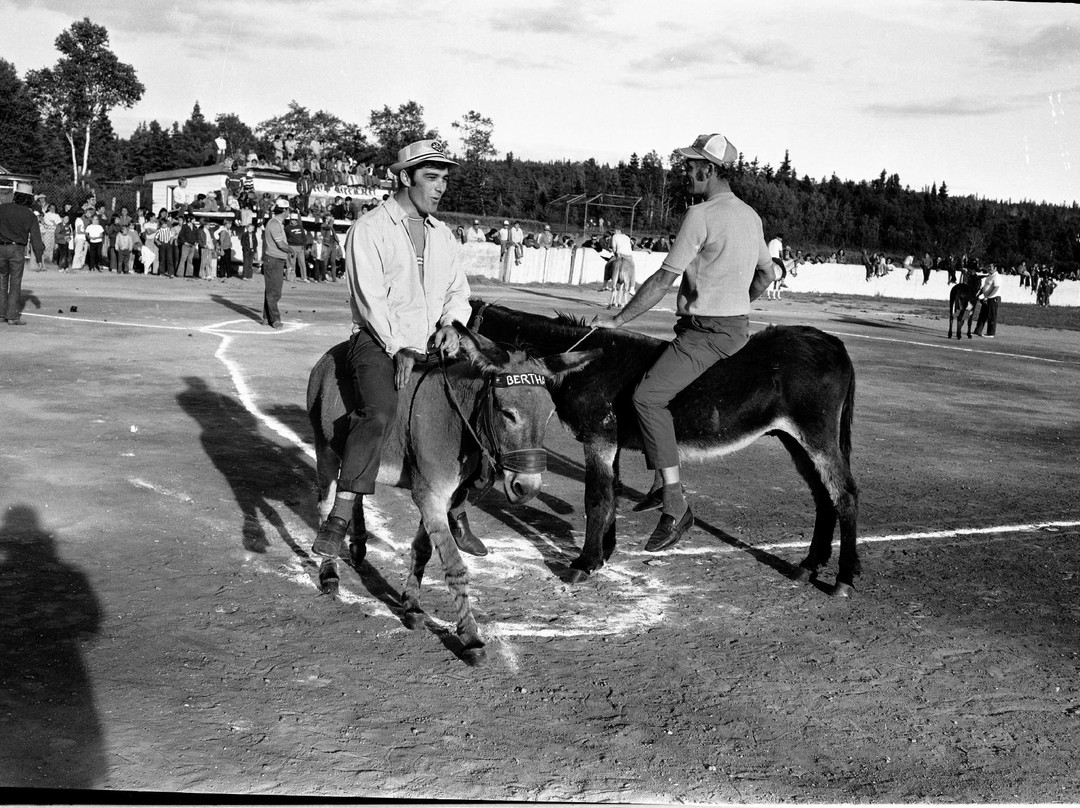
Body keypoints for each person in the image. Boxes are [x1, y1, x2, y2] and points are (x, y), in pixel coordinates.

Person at [593, 133, 775, 552]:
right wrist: (737, 302)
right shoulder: (751, 216)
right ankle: (660, 481)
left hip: (705, 335)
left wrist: (618, 318)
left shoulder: (701, 215)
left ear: (708, 170)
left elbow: (661, 278)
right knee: (652, 378)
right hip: (732, 329)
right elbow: (767, 274)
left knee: (646, 398)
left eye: (691, 165)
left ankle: (676, 507)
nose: (685, 172)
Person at [310, 137, 481, 562]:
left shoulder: (444, 235)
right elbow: (370, 300)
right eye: (431, 177)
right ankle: (341, 512)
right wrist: (399, 346)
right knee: (380, 410)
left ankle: (457, 505)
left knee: (486, 400)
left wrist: (451, 325)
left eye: (444, 179)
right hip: (377, 339)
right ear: (404, 177)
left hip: (434, 342)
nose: (441, 187)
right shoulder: (369, 228)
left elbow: (458, 292)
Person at [0, 188, 45, 325]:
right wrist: (38, 257)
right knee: (15, 282)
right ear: (28, 199)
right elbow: (36, 239)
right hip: (17, 249)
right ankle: (12, 316)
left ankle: (1, 314)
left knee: (1, 281)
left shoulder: (2, 209)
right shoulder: (30, 215)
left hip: (0, 247)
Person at [262, 198, 291, 328]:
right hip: (274, 259)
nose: (289, 211)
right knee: (275, 291)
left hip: (274, 259)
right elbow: (281, 244)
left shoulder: (276, 223)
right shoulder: (275, 223)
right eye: (288, 209)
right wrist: (292, 250)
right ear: (284, 210)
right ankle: (275, 319)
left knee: (271, 290)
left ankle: (266, 318)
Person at [973, 262, 1001, 338]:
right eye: (988, 267)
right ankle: (978, 331)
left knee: (992, 316)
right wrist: (979, 294)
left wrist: (988, 297)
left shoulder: (996, 277)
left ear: (995, 268)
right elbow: (985, 287)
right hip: (987, 298)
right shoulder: (989, 276)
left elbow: (996, 288)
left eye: (990, 267)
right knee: (982, 315)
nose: (989, 268)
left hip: (993, 299)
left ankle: (991, 333)